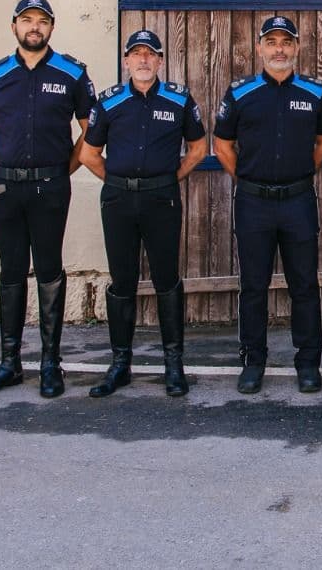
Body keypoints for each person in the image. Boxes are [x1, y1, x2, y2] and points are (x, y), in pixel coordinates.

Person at [0, 0, 96, 399]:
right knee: (10, 271)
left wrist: (64, 168)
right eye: (27, 20)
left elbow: (90, 131)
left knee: (48, 270)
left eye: (42, 21)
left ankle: (49, 363)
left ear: (51, 28)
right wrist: (8, 162)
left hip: (50, 186)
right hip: (6, 186)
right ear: (14, 27)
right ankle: (9, 362)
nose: (34, 27)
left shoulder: (72, 73)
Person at [79, 29, 209, 398]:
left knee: (167, 279)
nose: (143, 60)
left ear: (160, 60)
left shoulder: (179, 100)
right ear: (126, 61)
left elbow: (198, 149)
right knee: (122, 282)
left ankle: (173, 365)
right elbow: (89, 154)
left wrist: (168, 179)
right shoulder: (109, 102)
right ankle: (120, 364)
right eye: (136, 54)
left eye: (150, 54)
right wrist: (120, 181)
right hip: (119, 201)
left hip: (161, 200)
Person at [214, 15, 322, 395]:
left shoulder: (315, 93)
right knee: (253, 285)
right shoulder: (240, 93)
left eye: (286, 42)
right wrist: (249, 181)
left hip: (298, 200)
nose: (279, 49)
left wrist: (299, 175)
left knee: (304, 285)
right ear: (260, 48)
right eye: (272, 42)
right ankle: (253, 361)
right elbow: (222, 146)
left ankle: (308, 363)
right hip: (254, 203)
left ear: (297, 47)